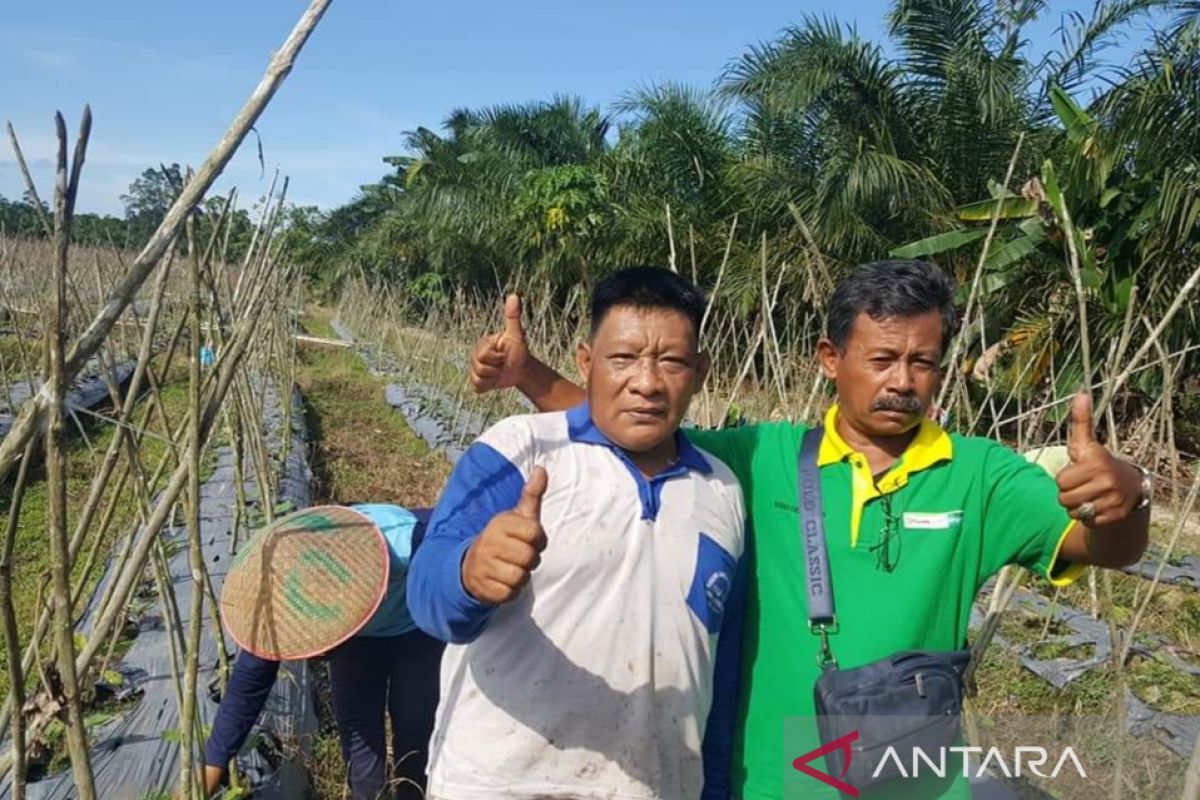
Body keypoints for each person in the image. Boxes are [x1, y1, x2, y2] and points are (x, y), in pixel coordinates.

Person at [467, 260, 1152, 800]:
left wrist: (1128, 505)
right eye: (882, 359)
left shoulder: (980, 476)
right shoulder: (760, 458)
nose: (903, 382)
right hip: (772, 781)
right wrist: (530, 376)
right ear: (831, 357)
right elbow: (640, 421)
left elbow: (1105, 546)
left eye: (923, 362)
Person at [406, 267, 747, 800]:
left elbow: (718, 668)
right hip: (503, 785)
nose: (647, 382)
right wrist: (469, 572)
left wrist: (715, 784)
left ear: (701, 370)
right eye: (623, 358)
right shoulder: (522, 449)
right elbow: (427, 596)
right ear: (586, 362)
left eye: (673, 362)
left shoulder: (721, 489)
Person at [203, 504, 444, 800]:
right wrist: (210, 767)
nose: (316, 657)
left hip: (415, 627)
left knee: (416, 731)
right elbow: (248, 685)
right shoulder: (279, 599)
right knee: (361, 752)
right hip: (356, 642)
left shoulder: (419, 545)